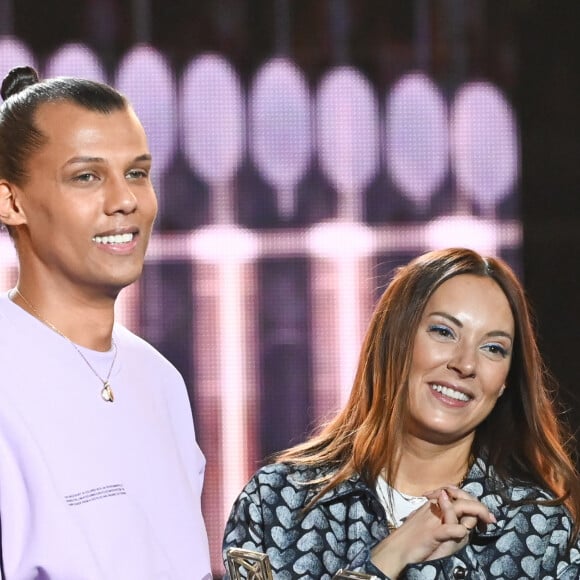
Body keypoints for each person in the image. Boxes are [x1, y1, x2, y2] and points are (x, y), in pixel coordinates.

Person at [223, 247, 580, 579]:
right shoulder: (277, 500)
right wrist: (390, 558)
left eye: (493, 348)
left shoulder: (538, 528)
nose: (466, 364)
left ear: (505, 381)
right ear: (394, 340)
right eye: (444, 332)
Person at [0, 66, 211, 578]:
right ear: (11, 202)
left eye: (137, 172)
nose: (125, 200)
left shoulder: (158, 379)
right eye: (87, 176)